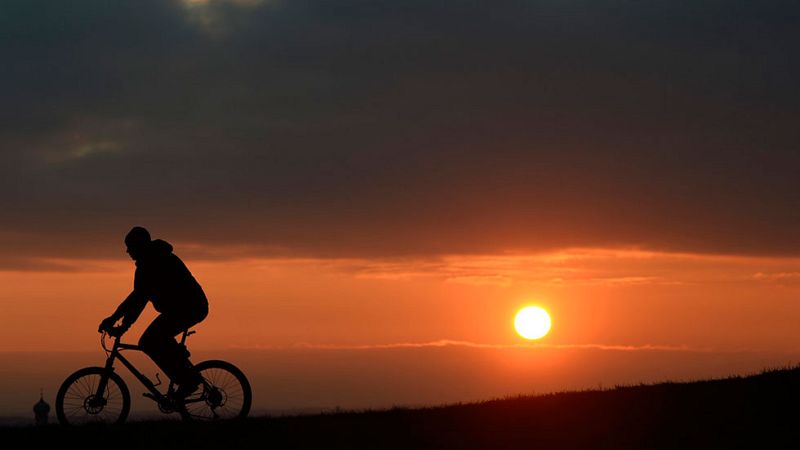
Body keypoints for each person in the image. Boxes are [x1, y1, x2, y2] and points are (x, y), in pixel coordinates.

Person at [99, 226, 209, 399]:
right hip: (183, 308)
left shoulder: (154, 262)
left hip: (188, 307)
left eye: (130, 247)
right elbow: (137, 297)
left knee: (148, 341)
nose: (128, 251)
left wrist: (119, 323)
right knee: (157, 340)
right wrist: (117, 321)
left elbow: (138, 299)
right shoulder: (150, 262)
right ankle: (183, 370)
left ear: (139, 245)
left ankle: (187, 381)